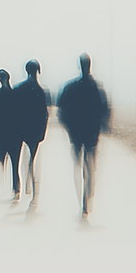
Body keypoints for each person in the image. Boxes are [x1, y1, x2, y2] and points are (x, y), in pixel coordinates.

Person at [57, 53, 111, 218]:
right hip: (91, 132)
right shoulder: (96, 86)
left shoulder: (71, 87)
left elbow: (62, 110)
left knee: (78, 165)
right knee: (90, 166)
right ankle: (87, 196)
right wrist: (105, 125)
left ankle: (82, 198)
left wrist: (68, 127)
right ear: (90, 65)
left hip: (76, 133)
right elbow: (104, 109)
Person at [14, 59, 50, 207]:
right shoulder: (41, 90)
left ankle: (24, 186)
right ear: (38, 71)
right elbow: (45, 113)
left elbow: (14, 112)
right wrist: (43, 131)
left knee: (23, 157)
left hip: (22, 128)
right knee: (33, 159)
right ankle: (33, 189)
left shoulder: (18, 88)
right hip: (35, 130)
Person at [0, 69, 22, 199]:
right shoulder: (16, 95)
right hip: (14, 134)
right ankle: (15, 189)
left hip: (1, 134)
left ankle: (4, 187)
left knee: (3, 162)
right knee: (15, 163)